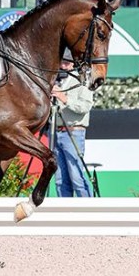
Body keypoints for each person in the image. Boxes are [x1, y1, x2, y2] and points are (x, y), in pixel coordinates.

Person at [52, 50, 94, 197]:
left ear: (73, 64)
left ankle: (88, 211)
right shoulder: (56, 81)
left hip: (74, 132)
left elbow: (86, 106)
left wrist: (64, 98)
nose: (63, 66)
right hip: (56, 132)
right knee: (60, 179)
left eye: (66, 63)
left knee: (76, 177)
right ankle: (64, 214)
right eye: (61, 62)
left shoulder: (81, 81)